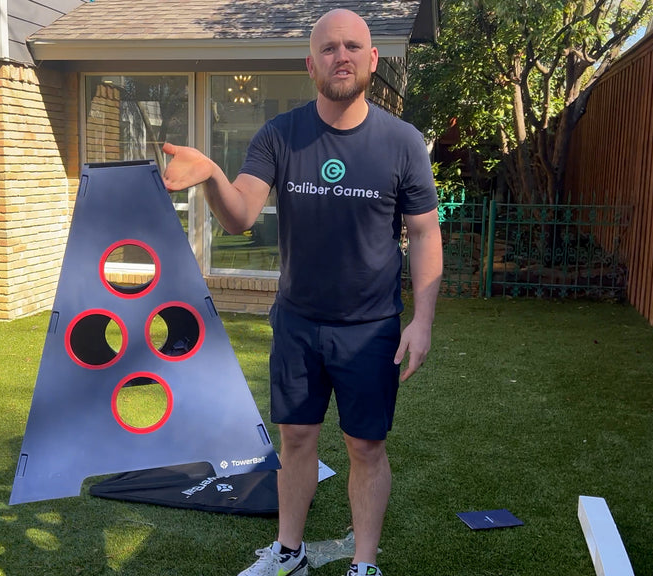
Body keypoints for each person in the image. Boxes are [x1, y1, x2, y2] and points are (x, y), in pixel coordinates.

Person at [161, 8, 442, 576]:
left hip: (370, 329)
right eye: (330, 48)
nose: (342, 55)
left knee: (365, 447)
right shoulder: (280, 134)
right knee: (295, 438)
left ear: (372, 59)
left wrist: (422, 321)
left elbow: (424, 231)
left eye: (353, 46)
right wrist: (213, 174)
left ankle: (364, 564)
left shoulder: (402, 142)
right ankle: (289, 554)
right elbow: (239, 215)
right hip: (298, 322)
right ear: (311, 64)